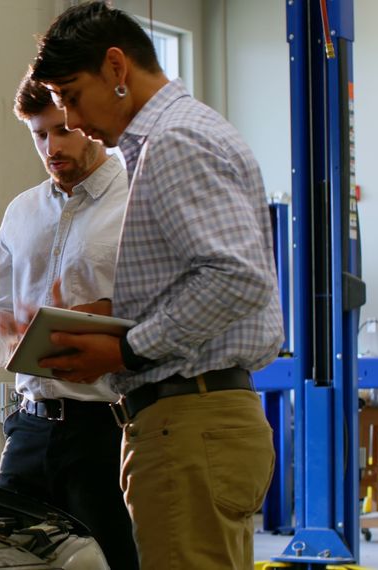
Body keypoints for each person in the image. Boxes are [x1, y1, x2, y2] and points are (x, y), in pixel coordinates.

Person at [29, 3, 283, 568]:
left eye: (70, 94)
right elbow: (207, 274)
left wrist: (125, 347)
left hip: (190, 427)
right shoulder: (186, 133)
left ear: (117, 68)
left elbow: (237, 278)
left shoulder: (174, 142)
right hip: (202, 425)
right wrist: (113, 312)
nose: (68, 118)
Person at [0, 76, 138, 570]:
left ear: (85, 122)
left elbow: (158, 311)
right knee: (2, 558)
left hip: (108, 430)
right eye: (39, 135)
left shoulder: (137, 203)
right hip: (30, 429)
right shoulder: (22, 211)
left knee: (114, 562)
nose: (51, 147)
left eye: (61, 131)